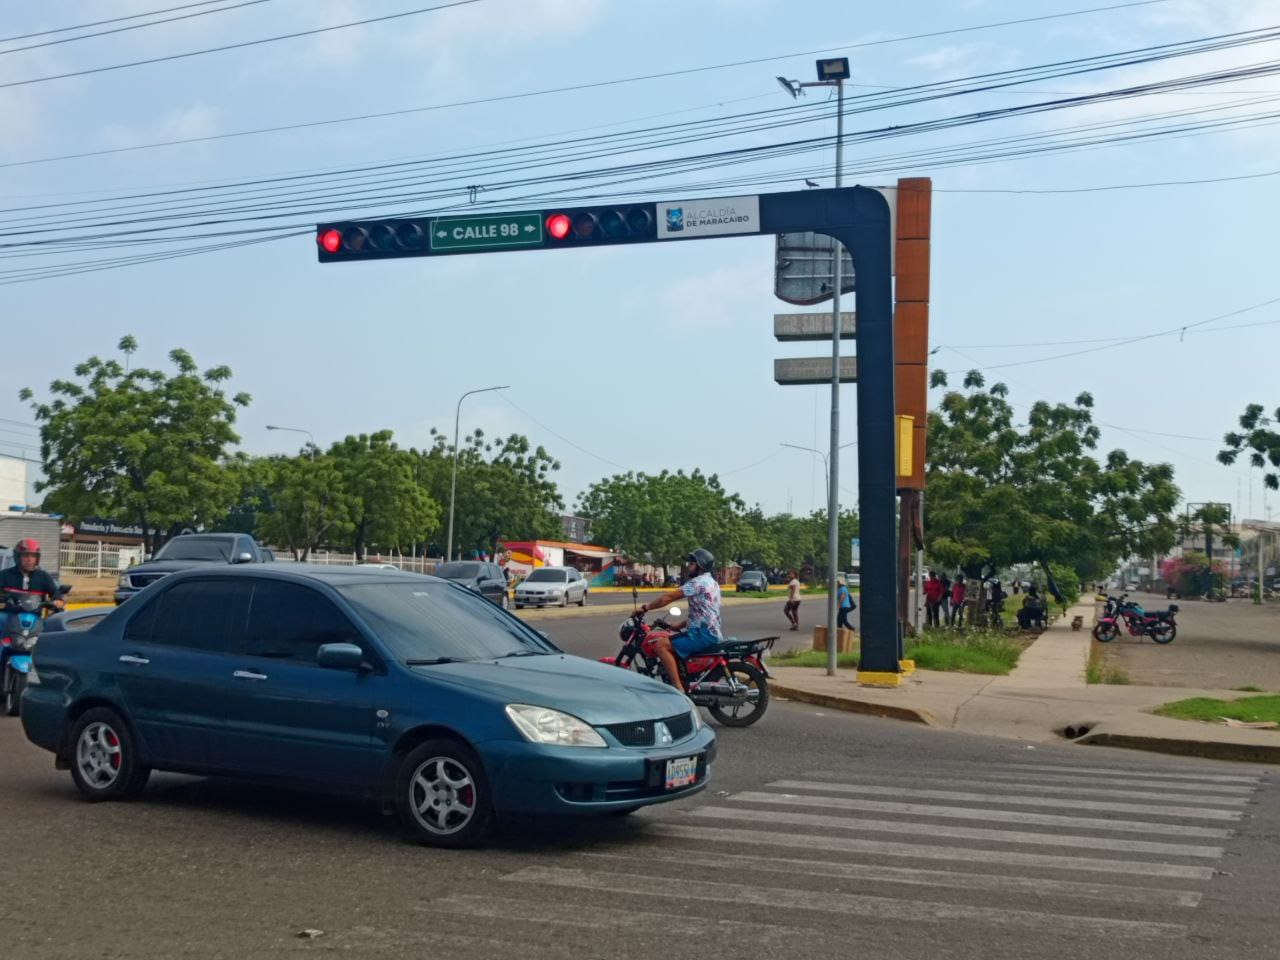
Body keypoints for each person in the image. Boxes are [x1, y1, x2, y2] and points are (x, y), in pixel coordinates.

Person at [637, 548, 722, 691]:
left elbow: (668, 597)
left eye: (691, 563)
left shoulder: (697, 583)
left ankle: (678, 689)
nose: (688, 566)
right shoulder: (712, 583)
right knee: (672, 639)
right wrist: (679, 625)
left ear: (700, 565)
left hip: (701, 634)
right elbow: (704, 613)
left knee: (661, 645)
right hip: (709, 632)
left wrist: (645, 607)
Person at [1, 539, 65, 611]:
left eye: (33, 556)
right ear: (18, 557)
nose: (29, 559)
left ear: (37, 558)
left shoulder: (43, 577)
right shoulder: (4, 575)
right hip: (8, 617)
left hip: (35, 618)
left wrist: (59, 600)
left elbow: (55, 593)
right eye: (26, 555)